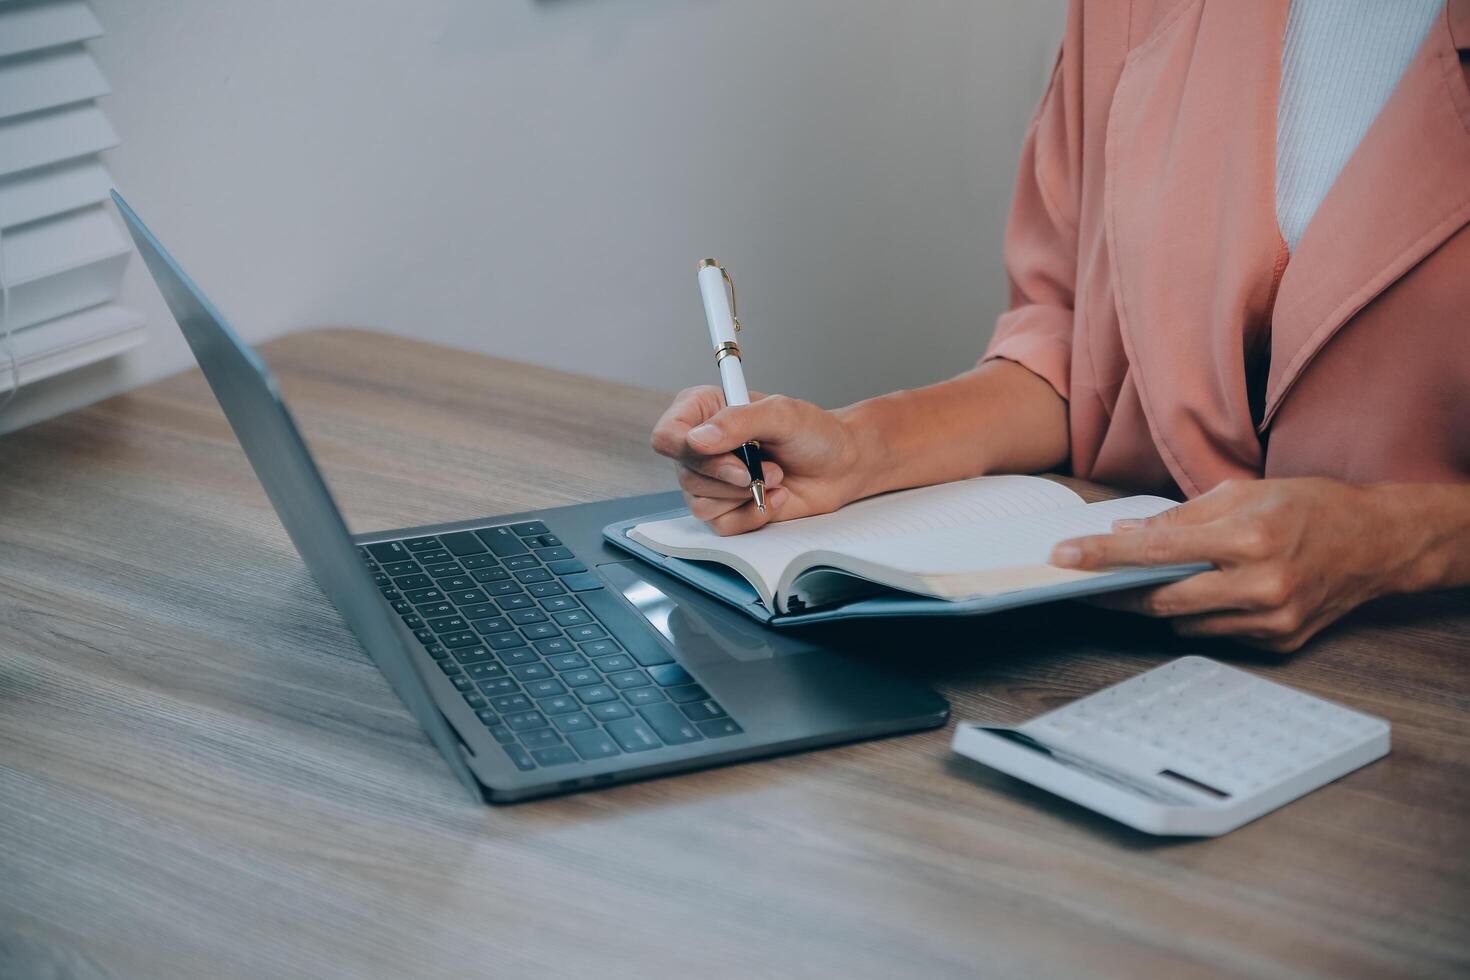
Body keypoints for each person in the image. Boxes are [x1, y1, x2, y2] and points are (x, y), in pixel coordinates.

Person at [651, 0, 1470, 652]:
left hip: (1422, 669)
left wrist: (1383, 542)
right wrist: (859, 448)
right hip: (1124, 640)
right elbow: (1080, 346)